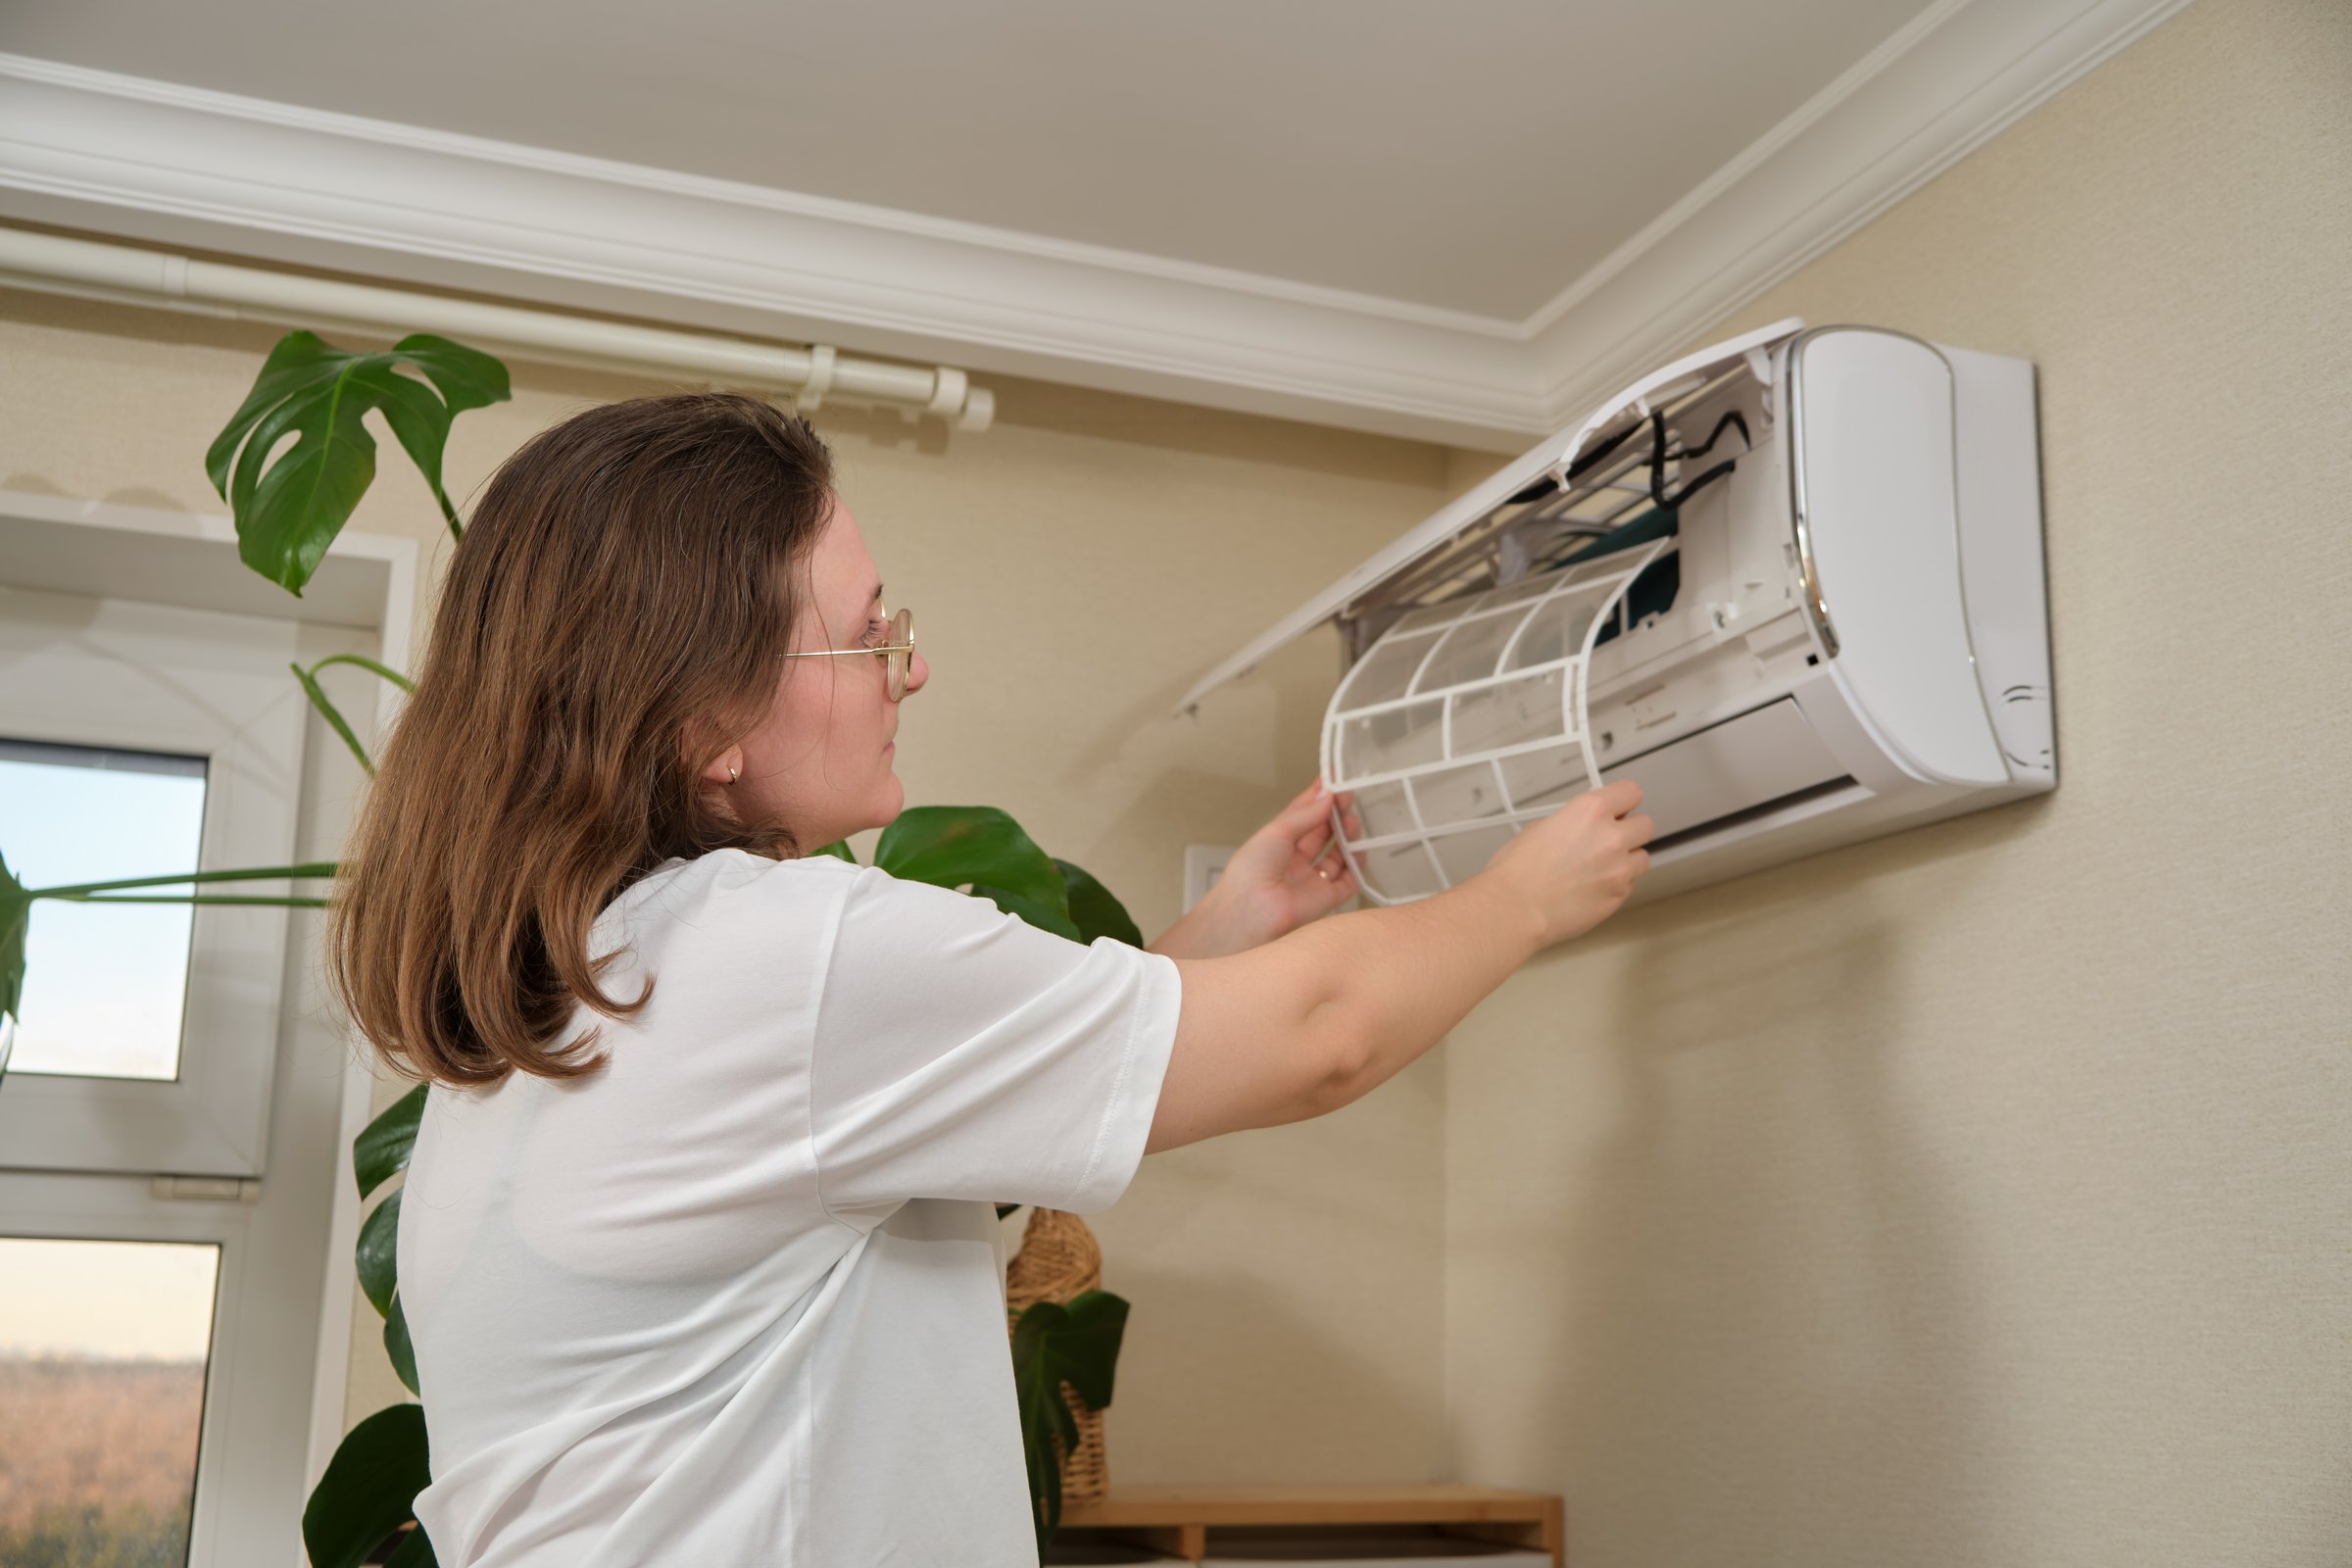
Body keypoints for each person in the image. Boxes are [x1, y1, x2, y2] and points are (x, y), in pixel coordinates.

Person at [328, 393, 1651, 1568]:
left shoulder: (562, 1014)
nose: (911, 665)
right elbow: (1324, 1035)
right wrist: (1526, 893)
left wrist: (1227, 926)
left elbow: (902, 1116)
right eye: (867, 632)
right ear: (709, 723)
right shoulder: (783, 953)